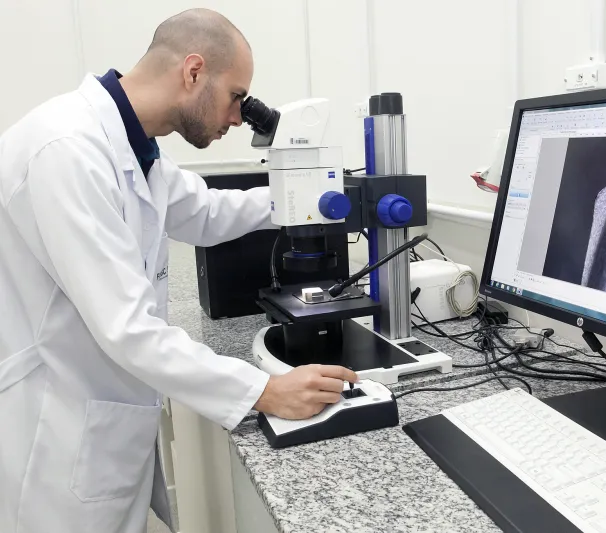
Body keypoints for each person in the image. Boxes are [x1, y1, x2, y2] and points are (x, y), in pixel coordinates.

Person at [0, 8, 357, 533]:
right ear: (193, 72)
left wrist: (306, 200)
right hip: (57, 426)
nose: (239, 117)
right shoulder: (69, 149)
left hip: (101, 409)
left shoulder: (134, 147)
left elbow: (207, 213)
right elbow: (129, 327)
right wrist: (263, 391)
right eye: (237, 96)